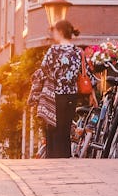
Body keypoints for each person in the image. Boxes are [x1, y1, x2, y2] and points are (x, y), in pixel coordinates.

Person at [29, 19, 82, 158]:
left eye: (54, 32)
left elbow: (43, 69)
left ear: (60, 32)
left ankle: (53, 158)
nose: (53, 35)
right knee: (65, 129)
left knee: (53, 127)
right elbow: (84, 72)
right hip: (71, 94)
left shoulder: (54, 50)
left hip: (55, 94)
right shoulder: (77, 51)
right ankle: (65, 157)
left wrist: (35, 90)